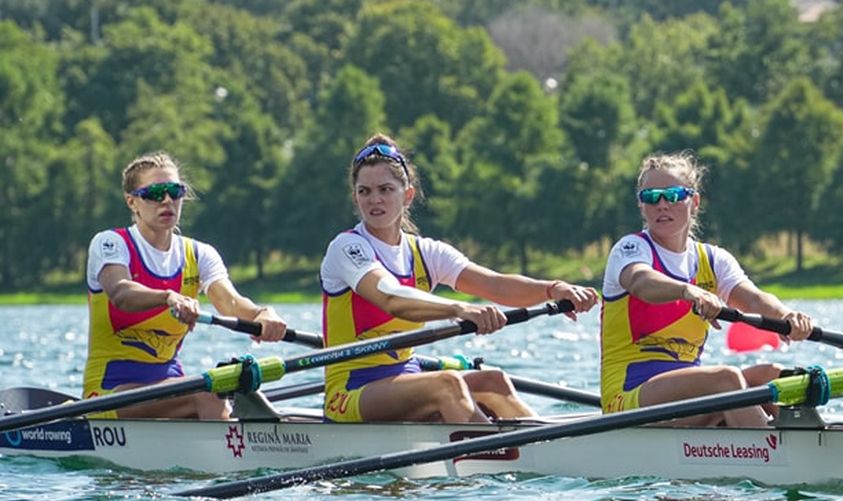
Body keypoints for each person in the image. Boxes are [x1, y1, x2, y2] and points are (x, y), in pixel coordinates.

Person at [320, 133, 598, 423]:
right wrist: (459, 308)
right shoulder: (348, 248)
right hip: (350, 392)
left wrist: (553, 289)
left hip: (406, 377)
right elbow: (390, 298)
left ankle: (543, 451)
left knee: (494, 381)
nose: (374, 199)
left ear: (408, 195)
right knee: (448, 384)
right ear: (355, 197)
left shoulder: (426, 252)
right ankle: (493, 458)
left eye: (385, 189)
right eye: (364, 191)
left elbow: (495, 284)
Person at [599, 151, 814, 427]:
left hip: (685, 395)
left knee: (775, 376)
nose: (662, 204)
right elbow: (641, 282)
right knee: (726, 380)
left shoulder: (713, 260)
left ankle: (792, 438)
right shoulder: (630, 249)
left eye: (674, 195)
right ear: (641, 206)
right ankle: (775, 453)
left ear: (695, 201)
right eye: (651, 197)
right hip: (628, 397)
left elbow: (754, 299)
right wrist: (689, 291)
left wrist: (787, 316)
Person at [84, 151, 289, 419]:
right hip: (108, 394)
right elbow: (121, 293)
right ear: (132, 201)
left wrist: (263, 314)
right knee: (208, 392)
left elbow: (230, 303)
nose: (167, 200)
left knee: (219, 389)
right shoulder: (111, 243)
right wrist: (169, 297)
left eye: (175, 191)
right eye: (155, 193)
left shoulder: (200, 254)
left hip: (168, 386)